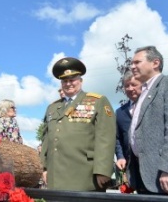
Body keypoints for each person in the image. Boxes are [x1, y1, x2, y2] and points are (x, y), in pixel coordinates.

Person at [40, 57, 116, 191]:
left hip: (85, 175)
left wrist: (103, 170)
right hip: (55, 175)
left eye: (72, 79)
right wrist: (44, 167)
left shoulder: (97, 101)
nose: (68, 83)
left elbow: (106, 137)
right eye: (64, 80)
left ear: (80, 81)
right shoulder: (52, 107)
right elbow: (46, 139)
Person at [128, 46, 168, 194]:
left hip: (162, 175)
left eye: (137, 62)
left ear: (155, 63)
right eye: (131, 63)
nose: (132, 66)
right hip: (144, 175)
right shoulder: (144, 92)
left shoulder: (167, 84)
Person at [115, 71, 142, 178]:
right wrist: (120, 156)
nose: (130, 88)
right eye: (127, 86)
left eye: (134, 84)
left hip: (157, 168)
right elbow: (117, 138)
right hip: (132, 170)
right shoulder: (120, 112)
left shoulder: (154, 107)